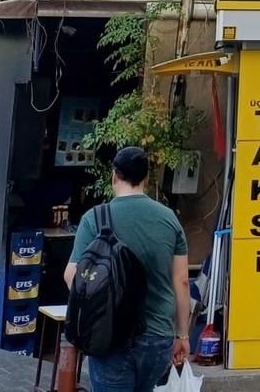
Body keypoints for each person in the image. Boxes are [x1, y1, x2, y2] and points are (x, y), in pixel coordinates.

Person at [64, 147, 192, 392]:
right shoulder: (169, 219)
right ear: (146, 178)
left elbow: (72, 276)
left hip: (109, 336)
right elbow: (182, 281)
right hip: (158, 337)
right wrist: (182, 335)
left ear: (114, 175)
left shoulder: (95, 219)